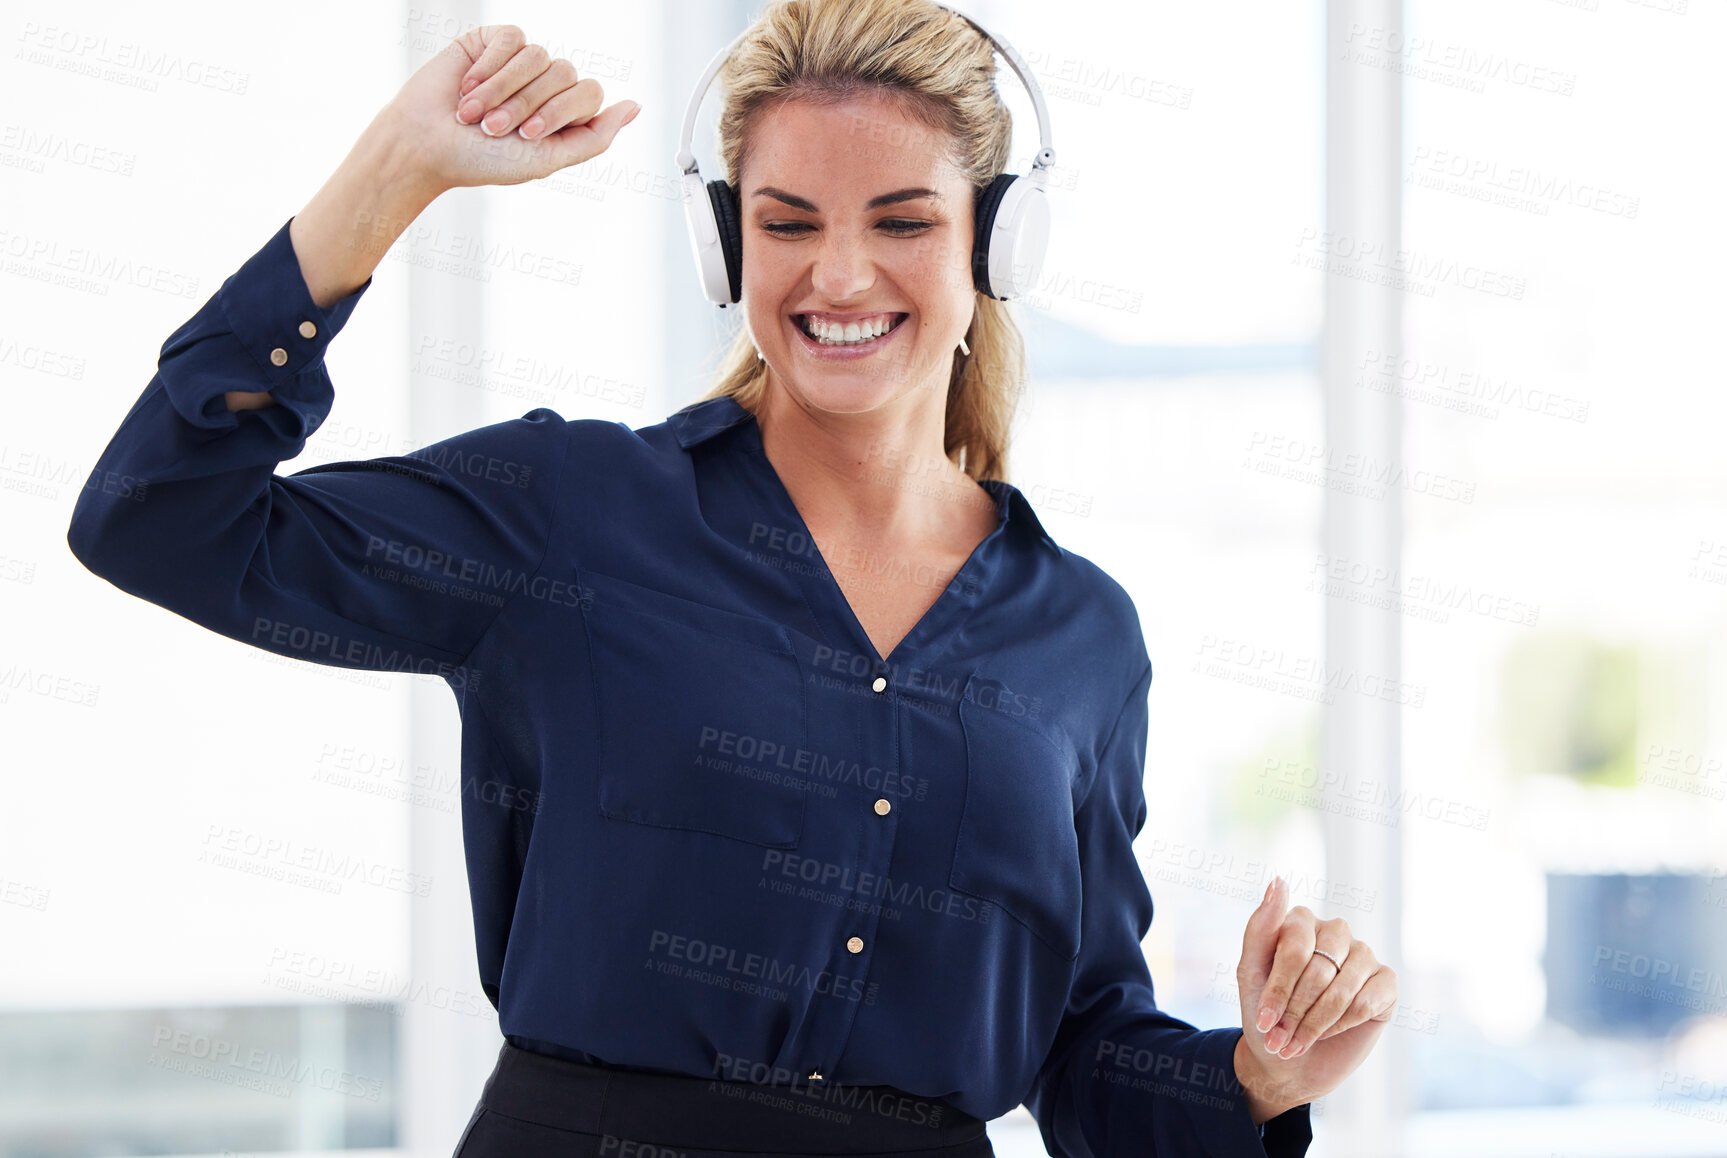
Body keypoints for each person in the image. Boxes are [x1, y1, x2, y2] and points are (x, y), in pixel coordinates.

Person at [66, 2, 1397, 1155]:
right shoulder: (571, 518)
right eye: (788, 221)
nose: (839, 272)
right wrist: (393, 175)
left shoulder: (1081, 638)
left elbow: (1078, 1047)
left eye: (901, 220)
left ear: (997, 246)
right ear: (727, 245)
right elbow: (157, 519)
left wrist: (1251, 1079)